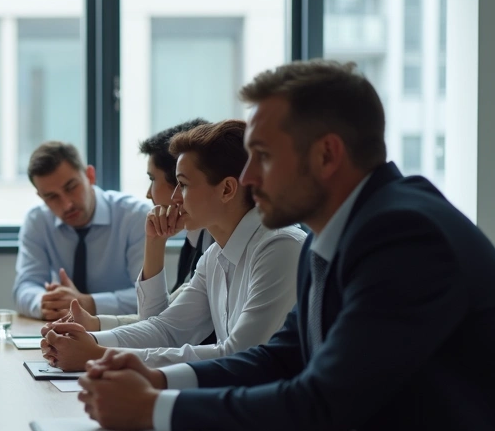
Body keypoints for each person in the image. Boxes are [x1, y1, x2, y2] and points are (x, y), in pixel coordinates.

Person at [76, 60, 495, 431]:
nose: (247, 177)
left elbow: (321, 403)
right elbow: (282, 356)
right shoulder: (328, 236)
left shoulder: (404, 233)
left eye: (262, 156)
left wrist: (153, 409)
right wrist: (158, 380)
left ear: (327, 154)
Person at [41, 120, 305, 371]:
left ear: (226, 190)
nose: (175, 197)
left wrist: (99, 353)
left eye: (184, 184)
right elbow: (166, 329)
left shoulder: (281, 248)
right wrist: (87, 341)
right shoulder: (215, 255)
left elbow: (238, 355)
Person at [95, 118, 215, 329]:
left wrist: (97, 327)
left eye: (152, 179)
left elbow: (163, 326)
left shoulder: (217, 244)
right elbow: (163, 319)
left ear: (179, 181)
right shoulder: (196, 237)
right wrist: (155, 242)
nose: (148, 194)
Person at [14, 141, 151, 321]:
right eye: (51, 197)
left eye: (71, 187)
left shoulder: (135, 217)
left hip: (123, 330)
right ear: (41, 197)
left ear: (90, 176)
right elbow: (24, 287)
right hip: (63, 330)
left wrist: (89, 303)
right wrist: (45, 303)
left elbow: (149, 297)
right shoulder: (37, 220)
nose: (67, 204)